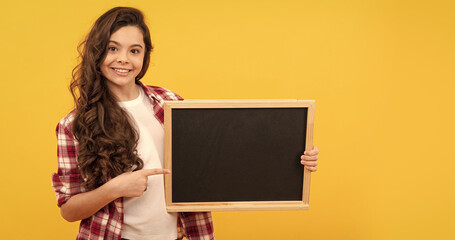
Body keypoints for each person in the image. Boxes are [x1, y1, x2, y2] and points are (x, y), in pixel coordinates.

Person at [52, 6, 320, 240]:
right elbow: (68, 210)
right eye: (113, 48)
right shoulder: (74, 125)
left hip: (183, 233)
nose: (123, 58)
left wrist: (292, 158)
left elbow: (220, 159)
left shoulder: (170, 102)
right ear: (97, 52)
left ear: (144, 56)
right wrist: (115, 188)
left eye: (135, 50)